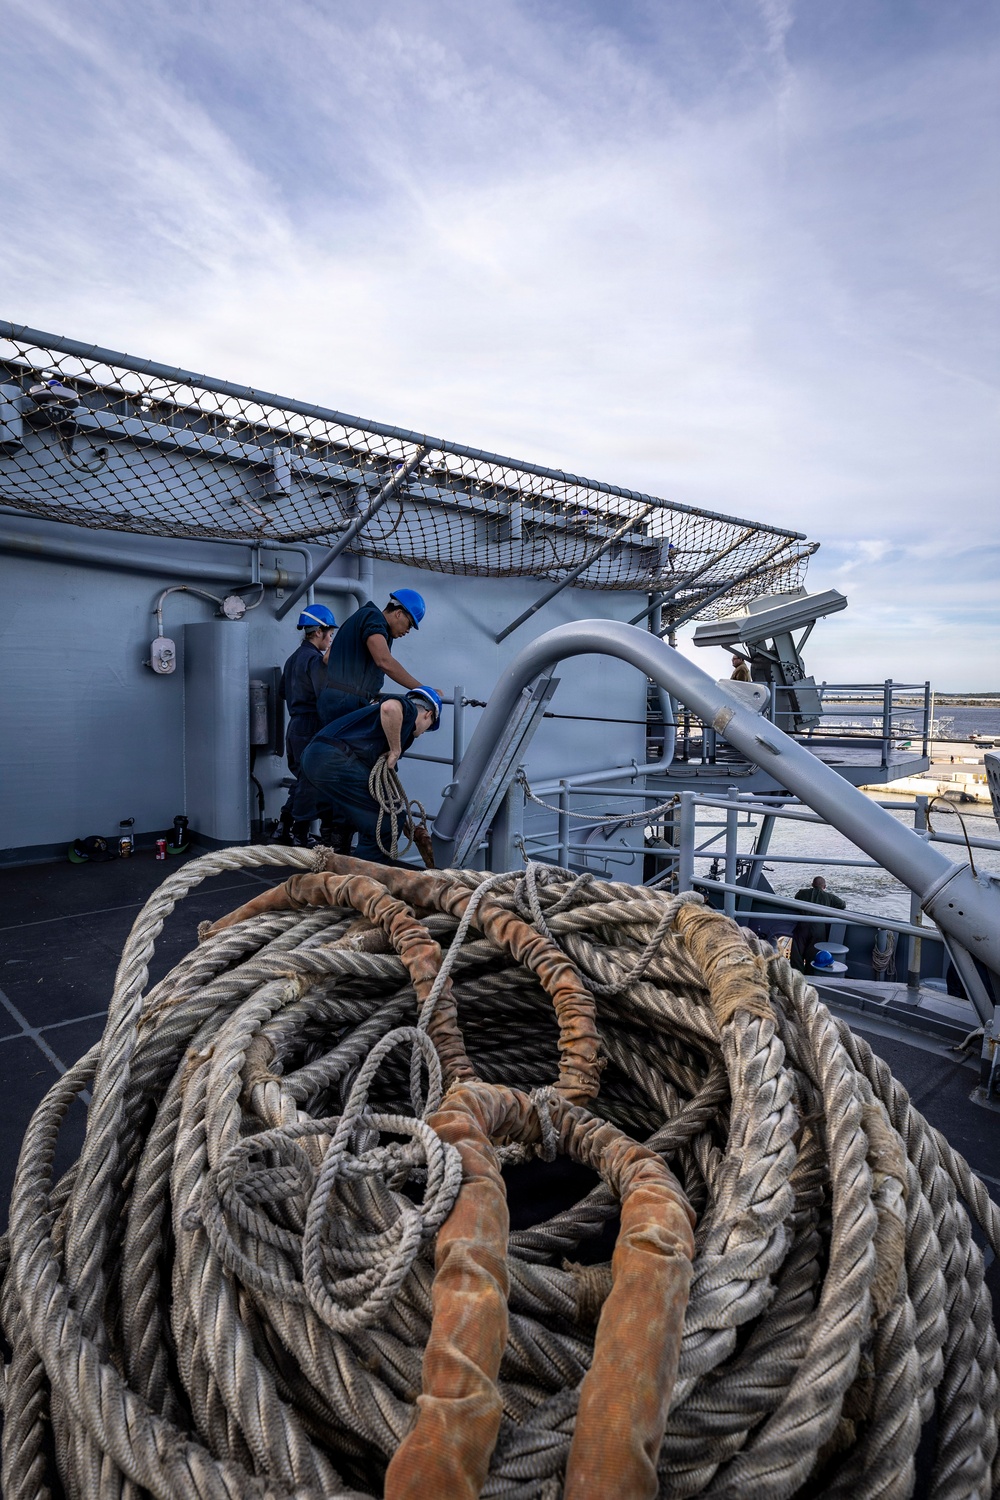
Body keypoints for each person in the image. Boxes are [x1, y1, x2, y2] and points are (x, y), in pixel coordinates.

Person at [301, 687, 443, 864]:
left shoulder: (386, 723)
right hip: (335, 760)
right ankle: (365, 882)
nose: (423, 734)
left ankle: (341, 866)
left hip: (316, 757)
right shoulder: (409, 709)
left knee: (365, 814)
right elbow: (390, 707)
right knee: (385, 823)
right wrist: (395, 750)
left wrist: (406, 822)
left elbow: (386, 789)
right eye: (429, 728)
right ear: (428, 714)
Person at [317, 588, 436, 726]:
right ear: (398, 613)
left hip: (336, 700)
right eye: (409, 624)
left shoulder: (366, 620)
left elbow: (327, 658)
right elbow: (384, 661)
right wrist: (423, 690)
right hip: (345, 702)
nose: (408, 631)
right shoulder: (373, 618)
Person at [274, 605, 336, 846]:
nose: (330, 640)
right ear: (318, 632)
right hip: (311, 725)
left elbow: (282, 691)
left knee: (303, 779)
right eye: (330, 634)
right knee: (312, 780)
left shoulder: (292, 659)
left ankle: (283, 827)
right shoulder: (314, 660)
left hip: (295, 725)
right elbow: (325, 696)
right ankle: (300, 833)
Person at [791, 875, 847, 970]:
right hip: (818, 929)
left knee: (797, 954)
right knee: (813, 955)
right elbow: (842, 904)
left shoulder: (802, 893)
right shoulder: (829, 897)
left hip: (802, 926)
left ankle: (797, 974)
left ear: (812, 884)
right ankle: (810, 975)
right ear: (824, 887)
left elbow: (797, 898)